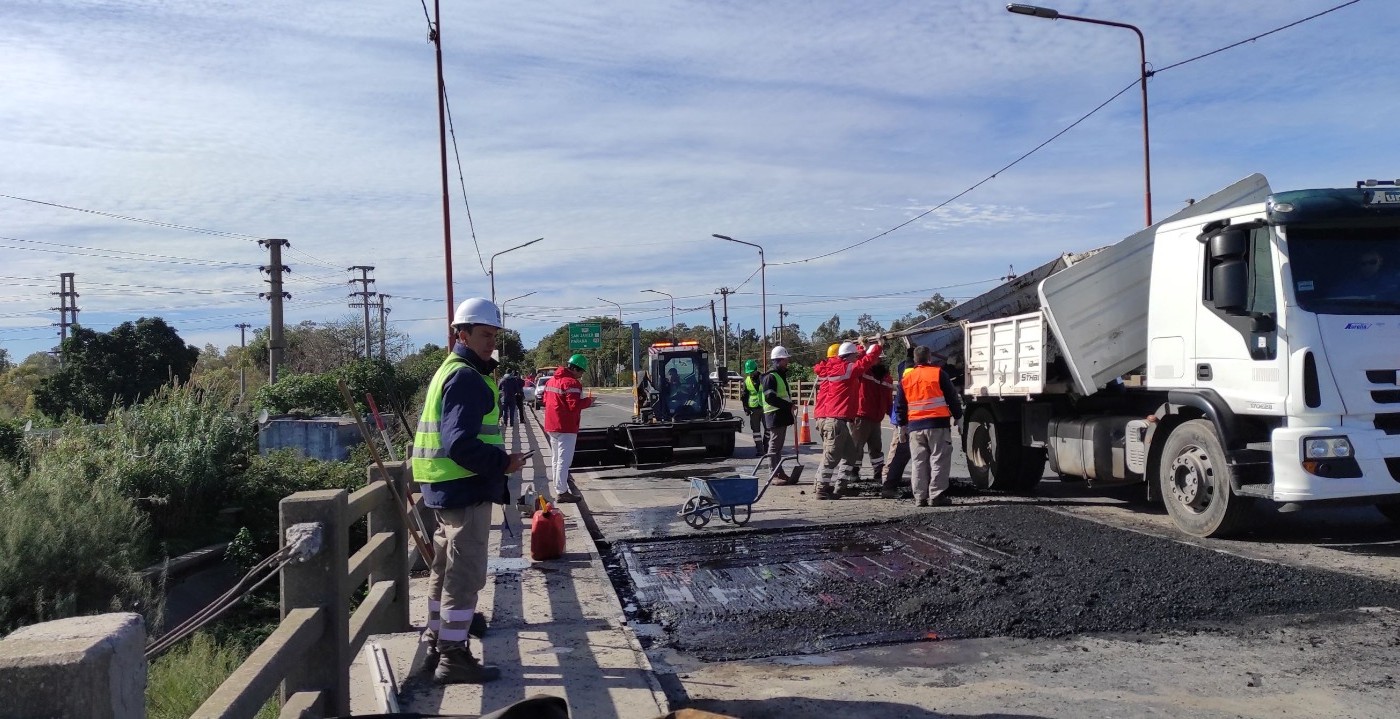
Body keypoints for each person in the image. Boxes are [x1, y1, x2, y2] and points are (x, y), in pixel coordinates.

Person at [412, 297, 527, 684]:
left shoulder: (450, 369)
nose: (490, 342)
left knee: (444, 569)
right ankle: (453, 657)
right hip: (463, 487)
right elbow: (459, 443)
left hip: (444, 487)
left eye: (494, 335)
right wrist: (503, 463)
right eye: (483, 334)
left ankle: (436, 640)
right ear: (461, 334)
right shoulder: (466, 377)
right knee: (464, 574)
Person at [813, 339, 883, 499]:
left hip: (836, 420)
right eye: (855, 356)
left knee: (850, 455)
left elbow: (859, 361)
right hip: (836, 421)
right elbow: (865, 362)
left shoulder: (836, 368)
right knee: (831, 457)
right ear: (850, 356)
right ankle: (822, 489)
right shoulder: (847, 369)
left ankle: (840, 487)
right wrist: (878, 346)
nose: (856, 358)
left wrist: (862, 347)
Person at [895, 344, 963, 507]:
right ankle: (936, 495)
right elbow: (952, 397)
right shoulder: (938, 373)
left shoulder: (906, 378)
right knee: (938, 459)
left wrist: (901, 426)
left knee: (918, 461)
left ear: (915, 359)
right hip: (937, 424)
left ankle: (920, 497)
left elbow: (900, 405)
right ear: (930, 358)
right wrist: (959, 417)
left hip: (915, 427)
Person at [543, 354, 595, 503]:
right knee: (564, 461)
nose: (581, 375)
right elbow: (574, 406)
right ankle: (562, 492)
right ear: (576, 369)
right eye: (582, 371)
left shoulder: (552, 380)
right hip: (566, 427)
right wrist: (589, 401)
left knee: (556, 459)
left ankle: (558, 487)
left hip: (551, 425)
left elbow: (545, 400)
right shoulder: (572, 383)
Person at [880, 345, 916, 499]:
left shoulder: (902, 366)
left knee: (900, 452)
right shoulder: (912, 371)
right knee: (900, 452)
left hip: (903, 418)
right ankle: (888, 483)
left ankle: (889, 483)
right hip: (908, 418)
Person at [853, 361, 894, 488]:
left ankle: (878, 472)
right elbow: (859, 361)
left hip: (876, 419)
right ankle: (853, 472)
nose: (878, 361)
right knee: (857, 447)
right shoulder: (864, 372)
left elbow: (888, 400)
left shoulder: (887, 378)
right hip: (861, 416)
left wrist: (895, 418)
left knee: (876, 448)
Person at [761, 346, 796, 483]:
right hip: (774, 414)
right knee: (774, 445)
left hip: (780, 414)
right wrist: (788, 405)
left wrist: (789, 406)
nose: (787, 361)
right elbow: (770, 398)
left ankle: (779, 472)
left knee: (779, 446)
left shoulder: (780, 376)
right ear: (779, 360)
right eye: (785, 359)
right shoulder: (770, 377)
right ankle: (773, 474)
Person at [1334, 248, 1399, 297]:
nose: (1368, 266)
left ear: (1380, 261)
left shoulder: (1394, 280)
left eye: (1372, 262)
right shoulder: (1349, 286)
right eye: (1364, 263)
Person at [738, 359, 768, 454]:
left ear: (756, 369)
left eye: (752, 372)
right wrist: (745, 408)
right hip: (753, 409)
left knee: (768, 428)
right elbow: (744, 396)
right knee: (756, 431)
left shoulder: (764, 378)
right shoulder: (747, 381)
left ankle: (766, 446)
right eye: (749, 372)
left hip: (764, 407)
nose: (750, 374)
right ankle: (760, 450)